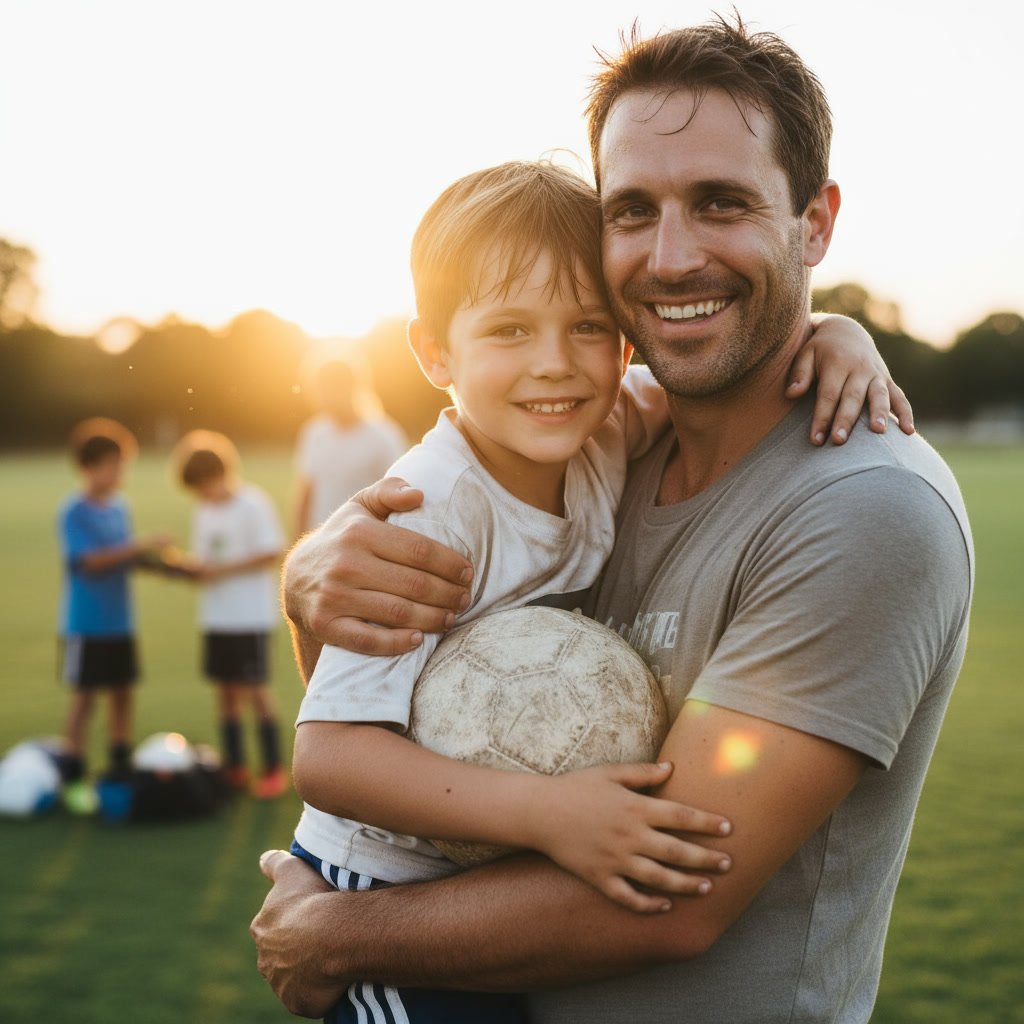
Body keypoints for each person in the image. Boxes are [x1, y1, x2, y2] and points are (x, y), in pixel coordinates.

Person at [252, 16, 973, 1024]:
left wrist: (332, 934)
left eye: (720, 202)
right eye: (632, 210)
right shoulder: (601, 450)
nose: (670, 257)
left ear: (814, 223)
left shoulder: (862, 509)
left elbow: (676, 899)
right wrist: (308, 579)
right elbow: (399, 708)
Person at [57, 417, 173, 812]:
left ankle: (119, 770)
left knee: (122, 695)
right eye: (115, 464)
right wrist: (139, 546)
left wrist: (158, 562)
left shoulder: (120, 507)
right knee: (86, 700)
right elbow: (89, 561)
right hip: (86, 625)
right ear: (90, 466)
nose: (121, 473)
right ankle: (73, 778)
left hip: (121, 621)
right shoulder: (74, 511)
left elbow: (123, 557)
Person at [174, 430, 288, 799]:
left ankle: (272, 769)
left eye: (203, 485)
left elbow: (272, 551)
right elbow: (205, 560)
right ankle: (235, 767)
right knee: (224, 693)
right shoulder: (204, 510)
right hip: (216, 616)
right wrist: (185, 568)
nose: (202, 494)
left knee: (255, 691)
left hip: (249, 616)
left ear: (219, 474)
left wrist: (221, 571)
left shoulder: (252, 503)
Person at [292, 344, 408, 538]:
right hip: (321, 541)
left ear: (352, 387)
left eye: (330, 387)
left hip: (366, 544)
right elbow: (307, 490)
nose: (322, 396)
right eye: (319, 388)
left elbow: (400, 494)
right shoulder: (314, 432)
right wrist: (298, 542)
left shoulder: (383, 435)